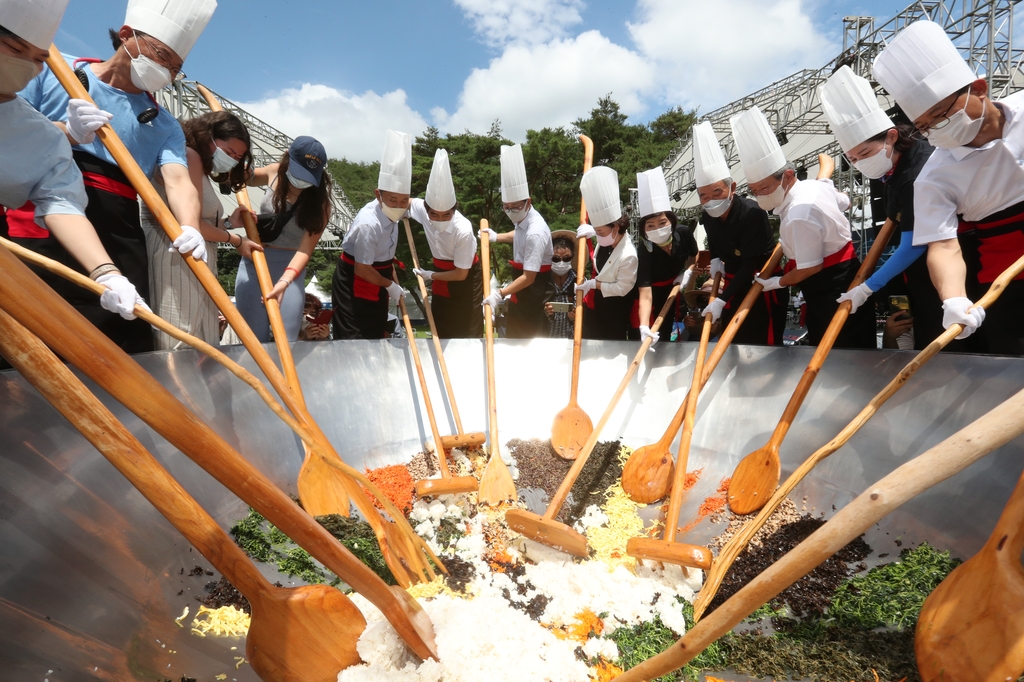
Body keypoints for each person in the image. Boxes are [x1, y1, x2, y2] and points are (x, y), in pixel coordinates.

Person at [14, 0, 215, 353]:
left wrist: (190, 225)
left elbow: (178, 179)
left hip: (118, 224)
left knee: (121, 328)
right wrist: (66, 132)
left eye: (175, 67)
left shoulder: (163, 123)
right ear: (126, 35)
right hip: (41, 210)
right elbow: (11, 133)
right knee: (30, 326)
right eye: (162, 55)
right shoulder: (55, 71)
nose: (166, 70)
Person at [0, 0, 146, 370]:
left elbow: (63, 203)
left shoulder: (37, 135)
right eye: (17, 50)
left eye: (38, 59)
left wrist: (108, 274)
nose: (28, 68)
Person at [874, 20, 1024, 356]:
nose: (936, 130)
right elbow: (943, 246)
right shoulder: (934, 177)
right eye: (925, 127)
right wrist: (954, 297)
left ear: (979, 88)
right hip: (1009, 287)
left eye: (940, 115)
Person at [819, 65, 946, 351]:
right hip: (918, 274)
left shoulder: (918, 170)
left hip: (945, 264)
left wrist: (868, 287)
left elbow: (914, 242)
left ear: (890, 137)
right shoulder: (891, 168)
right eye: (852, 159)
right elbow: (894, 218)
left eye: (864, 153)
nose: (860, 163)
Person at [731, 106, 875, 349]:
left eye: (764, 189)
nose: (759, 196)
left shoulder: (799, 214)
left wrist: (777, 282)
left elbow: (810, 268)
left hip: (830, 287)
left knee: (840, 350)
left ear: (787, 176)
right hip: (847, 275)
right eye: (754, 191)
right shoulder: (816, 186)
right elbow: (846, 201)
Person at [142, 110, 261, 349]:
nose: (232, 160)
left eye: (237, 157)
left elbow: (201, 222)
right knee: (181, 336)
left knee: (200, 336)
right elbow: (190, 224)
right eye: (228, 152)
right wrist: (236, 240)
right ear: (208, 137)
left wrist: (228, 223)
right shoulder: (188, 156)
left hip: (195, 258)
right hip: (176, 257)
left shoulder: (200, 166)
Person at [692, 121, 787, 346]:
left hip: (761, 284)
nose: (710, 200)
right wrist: (715, 258)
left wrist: (720, 300)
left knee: (762, 344)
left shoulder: (752, 213)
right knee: (735, 342)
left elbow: (749, 265)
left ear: (732, 188)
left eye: (717, 192)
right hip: (734, 285)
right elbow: (714, 240)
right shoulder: (707, 215)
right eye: (703, 196)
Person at [237, 136, 331, 342]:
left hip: (290, 272)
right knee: (254, 341)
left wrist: (285, 281)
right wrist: (238, 162)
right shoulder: (274, 171)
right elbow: (241, 177)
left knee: (287, 340)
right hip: (254, 264)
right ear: (288, 158)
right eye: (299, 174)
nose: (301, 182)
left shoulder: (322, 204)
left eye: (308, 177)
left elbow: (305, 250)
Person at [333, 129, 409, 339]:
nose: (399, 206)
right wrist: (390, 285)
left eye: (404, 201)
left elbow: (386, 254)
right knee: (355, 336)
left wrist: (393, 281)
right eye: (393, 200)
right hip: (356, 278)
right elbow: (363, 269)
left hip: (380, 275)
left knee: (377, 331)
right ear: (378, 195)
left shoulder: (397, 213)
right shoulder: (369, 224)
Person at [480, 143, 554, 338]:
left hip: (535, 290)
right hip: (520, 288)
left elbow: (529, 277)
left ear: (527, 202)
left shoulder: (536, 231)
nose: (510, 211)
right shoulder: (522, 221)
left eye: (515, 207)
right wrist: (495, 237)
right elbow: (518, 235)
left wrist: (499, 294)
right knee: (514, 335)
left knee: (531, 340)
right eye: (506, 207)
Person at [408, 148, 483, 338]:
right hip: (440, 273)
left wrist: (430, 275)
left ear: (454, 210)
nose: (440, 219)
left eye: (446, 215)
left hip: (464, 280)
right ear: (427, 210)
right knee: (440, 327)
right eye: (434, 214)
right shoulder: (422, 209)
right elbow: (406, 203)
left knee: (466, 331)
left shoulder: (463, 230)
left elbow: (460, 274)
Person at [634, 166, 699, 349]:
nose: (657, 229)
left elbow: (695, 256)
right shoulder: (645, 249)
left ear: (671, 221)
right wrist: (644, 326)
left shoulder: (684, 233)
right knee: (653, 335)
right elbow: (645, 294)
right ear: (644, 230)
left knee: (667, 332)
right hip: (652, 297)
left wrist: (687, 273)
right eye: (650, 226)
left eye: (662, 223)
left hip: (673, 288)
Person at [575, 166, 638, 340]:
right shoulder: (606, 239)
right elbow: (602, 239)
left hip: (615, 310)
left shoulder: (628, 255)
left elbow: (622, 288)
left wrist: (594, 285)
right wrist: (594, 232)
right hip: (595, 306)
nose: (598, 236)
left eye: (600, 232)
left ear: (616, 227)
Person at [544, 232, 578, 338]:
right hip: (545, 339)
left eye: (566, 258)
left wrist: (576, 316)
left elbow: (588, 316)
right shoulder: (541, 281)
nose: (561, 263)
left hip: (572, 341)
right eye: (556, 259)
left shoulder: (580, 282)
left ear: (572, 257)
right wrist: (546, 313)